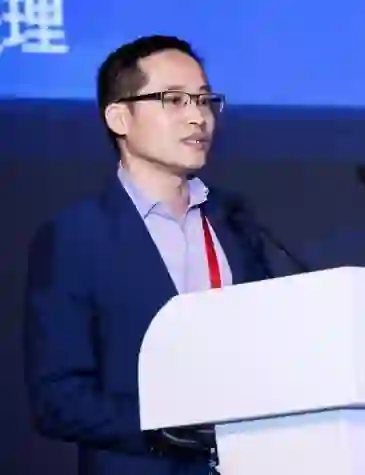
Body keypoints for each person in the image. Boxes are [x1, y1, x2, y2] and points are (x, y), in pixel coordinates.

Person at [23, 35, 272, 475]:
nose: (198, 117)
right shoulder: (76, 238)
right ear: (120, 117)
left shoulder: (235, 222)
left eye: (204, 100)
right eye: (173, 100)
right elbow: (58, 399)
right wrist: (173, 429)